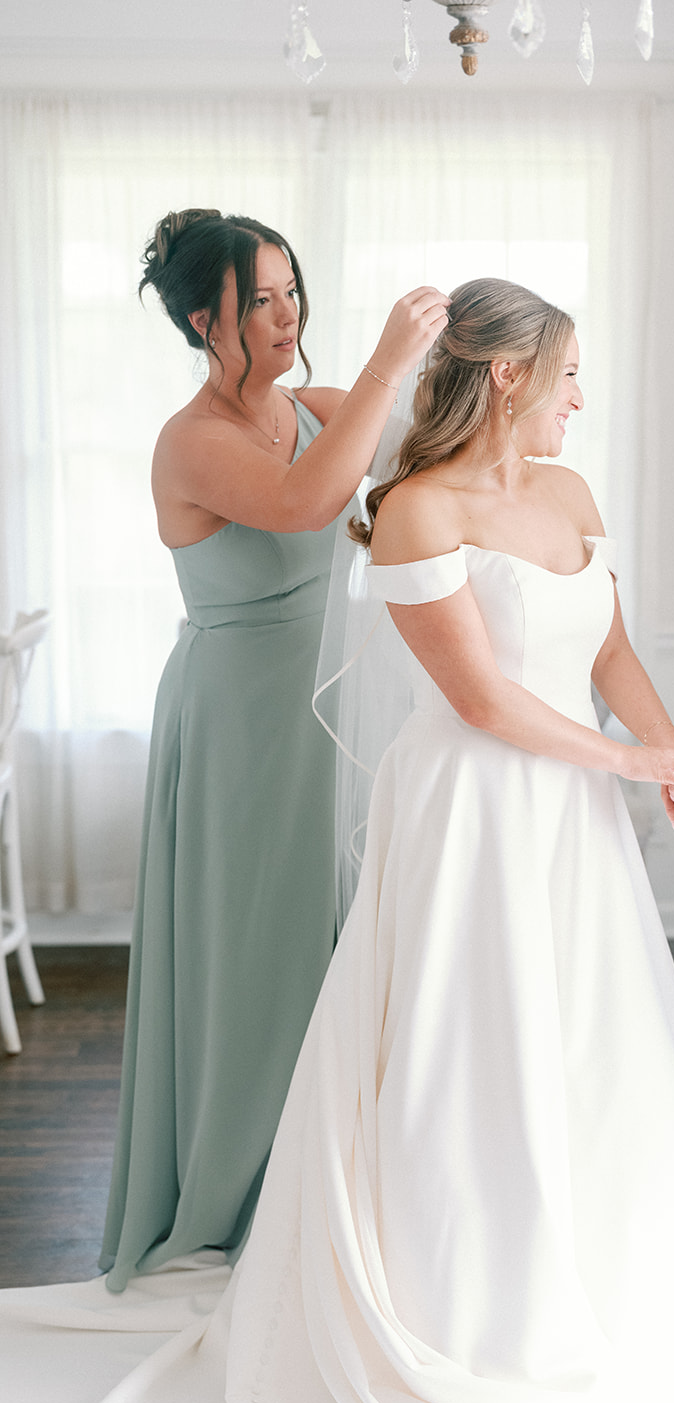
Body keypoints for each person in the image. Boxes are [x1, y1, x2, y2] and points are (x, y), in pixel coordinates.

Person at [0, 279, 674, 1403]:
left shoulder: (572, 496)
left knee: (585, 1039)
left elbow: (611, 654)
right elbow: (478, 699)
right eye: (570, 373)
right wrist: (638, 760)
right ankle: (460, 1299)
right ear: (512, 375)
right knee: (470, 1045)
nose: (584, 397)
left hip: (572, 812)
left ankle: (598, 1292)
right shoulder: (409, 512)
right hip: (473, 814)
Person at [99, 209, 450, 1291]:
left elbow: (424, 438)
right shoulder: (189, 439)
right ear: (204, 317)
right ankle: (231, 1185)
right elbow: (306, 506)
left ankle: (318, 1180)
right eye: (261, 297)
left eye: (293, 289)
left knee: (324, 947)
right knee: (249, 954)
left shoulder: (315, 408)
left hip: (324, 719)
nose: (288, 312)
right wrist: (391, 361)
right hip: (239, 724)